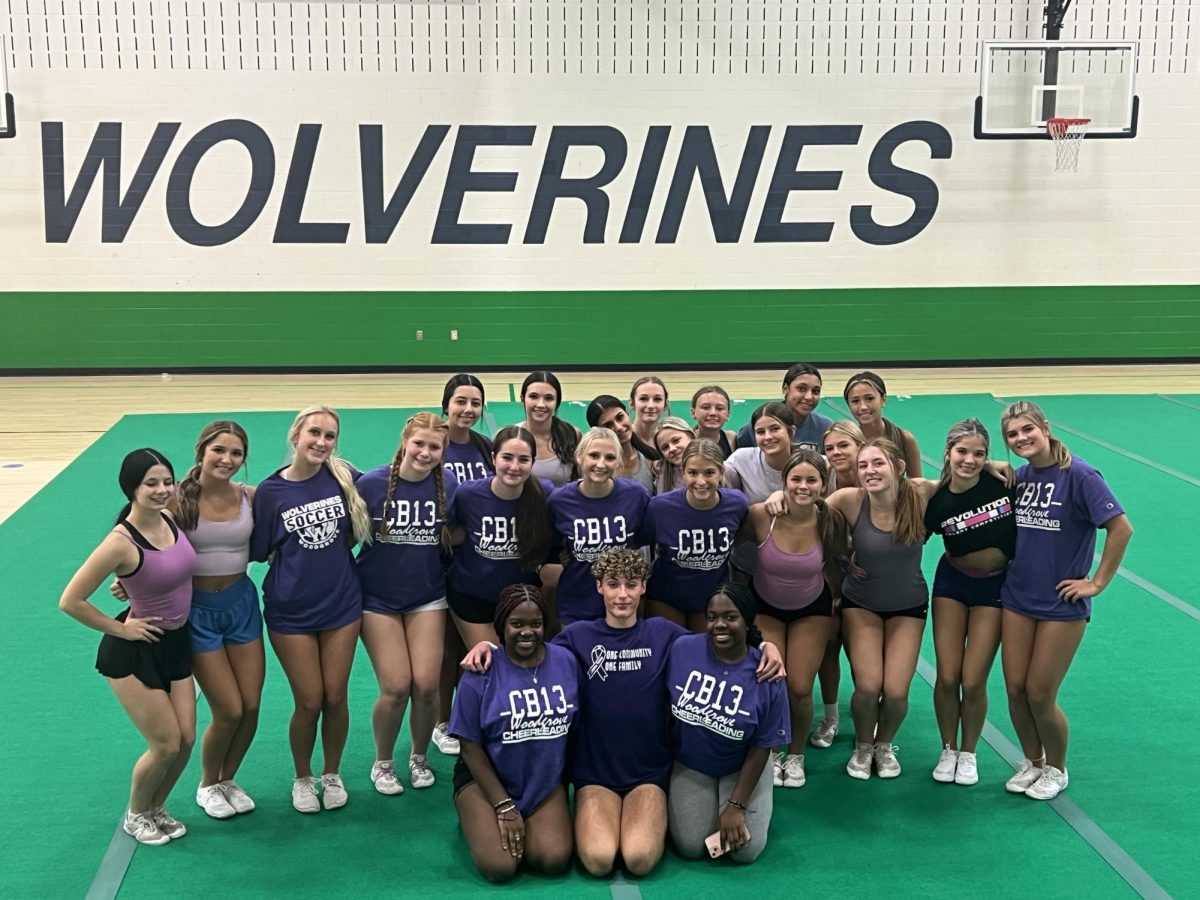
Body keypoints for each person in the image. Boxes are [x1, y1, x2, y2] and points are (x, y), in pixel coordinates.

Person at [461, 549, 783, 878]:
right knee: (599, 860)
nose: (623, 594)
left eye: (631, 584)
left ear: (644, 586)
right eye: (613, 584)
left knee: (639, 859)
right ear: (599, 586)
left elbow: (722, 640)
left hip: (648, 771)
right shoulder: (577, 637)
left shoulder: (665, 634)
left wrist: (764, 646)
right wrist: (491, 648)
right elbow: (531, 652)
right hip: (595, 771)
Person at [60, 449, 197, 845]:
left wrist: (130, 585)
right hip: (134, 652)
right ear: (132, 489)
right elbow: (71, 600)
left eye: (166, 481)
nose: (162, 489)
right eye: (150, 483)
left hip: (176, 643)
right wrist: (124, 630)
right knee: (165, 743)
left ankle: (157, 807)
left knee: (186, 739)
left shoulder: (170, 518)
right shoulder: (119, 542)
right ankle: (136, 813)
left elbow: (165, 572)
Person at [999, 401, 1132, 800]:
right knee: (1015, 689)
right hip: (1018, 596)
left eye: (1027, 430)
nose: (1021, 438)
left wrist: (1097, 582)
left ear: (1046, 428)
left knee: (1040, 692)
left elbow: (1121, 528)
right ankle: (1032, 761)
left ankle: (1057, 768)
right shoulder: (1020, 477)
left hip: (1061, 604)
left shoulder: (1080, 475)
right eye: (1012, 434)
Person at [250, 406, 372, 813]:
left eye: (330, 436)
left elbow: (365, 522)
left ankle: (331, 772)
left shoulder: (344, 478)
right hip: (291, 613)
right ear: (295, 437)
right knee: (309, 700)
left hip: (342, 604)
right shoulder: (271, 492)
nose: (321, 442)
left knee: (336, 696)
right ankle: (302, 777)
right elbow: (258, 549)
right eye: (314, 433)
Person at [356, 413, 458, 794]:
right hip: (378, 599)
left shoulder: (447, 484)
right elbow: (346, 535)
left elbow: (459, 529)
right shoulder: (372, 484)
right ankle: (383, 762)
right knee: (397, 686)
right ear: (405, 441)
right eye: (419, 444)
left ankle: (418, 756)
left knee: (428, 685)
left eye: (434, 447)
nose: (425, 452)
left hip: (427, 597)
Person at [450, 585, 578, 883]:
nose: (527, 632)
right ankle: (472, 813)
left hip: (542, 779)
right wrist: (504, 806)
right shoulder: (481, 670)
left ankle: (527, 819)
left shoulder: (566, 662)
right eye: (516, 624)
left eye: (535, 624)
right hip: (485, 780)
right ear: (501, 625)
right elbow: (469, 747)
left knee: (553, 859)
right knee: (501, 867)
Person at [742, 450, 851, 788]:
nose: (803, 487)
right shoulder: (761, 515)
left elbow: (839, 560)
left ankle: (796, 755)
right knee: (773, 683)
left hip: (811, 609)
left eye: (811, 480)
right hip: (767, 606)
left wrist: (836, 600)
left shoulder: (830, 518)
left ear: (823, 484)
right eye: (795, 480)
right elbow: (741, 559)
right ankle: (772, 752)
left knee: (801, 689)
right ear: (784, 481)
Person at [173, 422, 264, 820]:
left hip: (242, 603)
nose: (227, 460)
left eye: (236, 453)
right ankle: (208, 784)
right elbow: (139, 541)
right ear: (202, 452)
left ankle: (229, 779)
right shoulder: (176, 500)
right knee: (228, 709)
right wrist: (129, 583)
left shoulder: (251, 496)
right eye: (219, 451)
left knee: (252, 705)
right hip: (198, 611)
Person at [667, 584, 790, 863]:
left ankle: (753, 795)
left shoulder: (766, 673)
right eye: (712, 617)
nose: (719, 624)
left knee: (745, 852)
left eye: (730, 617)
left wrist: (736, 805)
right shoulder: (682, 649)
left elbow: (762, 746)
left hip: (742, 763)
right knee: (690, 846)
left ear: (747, 621)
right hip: (692, 762)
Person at [924, 419, 1016, 786]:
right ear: (948, 453)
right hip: (953, 583)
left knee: (973, 679)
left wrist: (996, 466)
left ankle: (969, 752)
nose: (970, 460)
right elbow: (906, 536)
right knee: (947, 675)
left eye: (979, 454)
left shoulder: (1003, 483)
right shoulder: (937, 499)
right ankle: (948, 748)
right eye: (962, 452)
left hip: (994, 587)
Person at [446, 425, 556, 651]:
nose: (514, 467)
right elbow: (450, 533)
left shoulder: (545, 494)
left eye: (523, 460)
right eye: (507, 457)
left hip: (521, 599)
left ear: (533, 463)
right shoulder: (468, 494)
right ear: (493, 458)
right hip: (471, 596)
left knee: (518, 663)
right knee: (494, 661)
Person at [641, 440, 748, 631]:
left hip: (711, 599)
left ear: (721, 472)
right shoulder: (660, 507)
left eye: (709, 473)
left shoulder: (736, 504)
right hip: (667, 597)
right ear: (683, 472)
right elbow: (640, 541)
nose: (700, 481)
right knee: (671, 652)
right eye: (693, 473)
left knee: (702, 655)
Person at [547, 427, 650, 625]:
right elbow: (551, 547)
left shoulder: (636, 495)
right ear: (579, 456)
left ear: (619, 462)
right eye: (594, 455)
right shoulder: (559, 501)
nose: (601, 464)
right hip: (576, 603)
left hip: (623, 603)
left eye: (610, 458)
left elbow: (643, 539)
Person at [808, 419, 868, 750]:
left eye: (843, 445)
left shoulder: (878, 479)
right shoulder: (823, 485)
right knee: (829, 646)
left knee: (862, 650)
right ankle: (830, 716)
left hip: (870, 582)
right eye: (829, 448)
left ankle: (867, 717)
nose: (835, 453)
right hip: (829, 577)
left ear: (860, 445)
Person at [736, 364, 832, 453]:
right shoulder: (756, 428)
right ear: (786, 389)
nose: (809, 397)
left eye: (815, 391)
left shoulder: (825, 427)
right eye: (801, 389)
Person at [842, 372, 922, 478]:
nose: (863, 407)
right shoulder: (845, 441)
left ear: (883, 400)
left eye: (869, 398)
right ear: (849, 405)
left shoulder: (904, 439)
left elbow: (916, 484)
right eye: (855, 401)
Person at [586, 395, 661, 495]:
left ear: (628, 414)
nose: (619, 427)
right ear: (598, 431)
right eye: (608, 425)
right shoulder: (595, 469)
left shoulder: (652, 461)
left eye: (620, 417)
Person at [724, 403, 797, 504]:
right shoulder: (741, 459)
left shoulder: (808, 463)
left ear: (791, 432)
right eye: (760, 432)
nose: (768, 437)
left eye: (775, 429)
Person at [517, 371, 579, 488]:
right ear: (522, 399)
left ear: (557, 402)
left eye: (549, 398)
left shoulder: (572, 434)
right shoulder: (511, 436)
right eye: (533, 396)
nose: (541, 404)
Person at [442, 374, 494, 484]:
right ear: (446, 406)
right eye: (461, 402)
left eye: (475, 403)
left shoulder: (486, 446)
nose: (469, 409)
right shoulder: (428, 444)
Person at [691, 384, 738, 459]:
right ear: (693, 413)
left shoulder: (731, 439)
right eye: (706, 407)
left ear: (728, 415)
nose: (713, 413)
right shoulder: (686, 441)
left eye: (719, 408)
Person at [653, 416, 696, 494]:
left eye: (676, 441)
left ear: (691, 437)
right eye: (665, 447)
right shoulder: (661, 477)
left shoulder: (719, 468)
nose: (672, 449)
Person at [630, 376, 669, 447]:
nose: (651, 405)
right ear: (632, 403)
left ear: (665, 404)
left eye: (657, 399)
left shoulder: (669, 441)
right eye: (643, 399)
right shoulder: (623, 439)